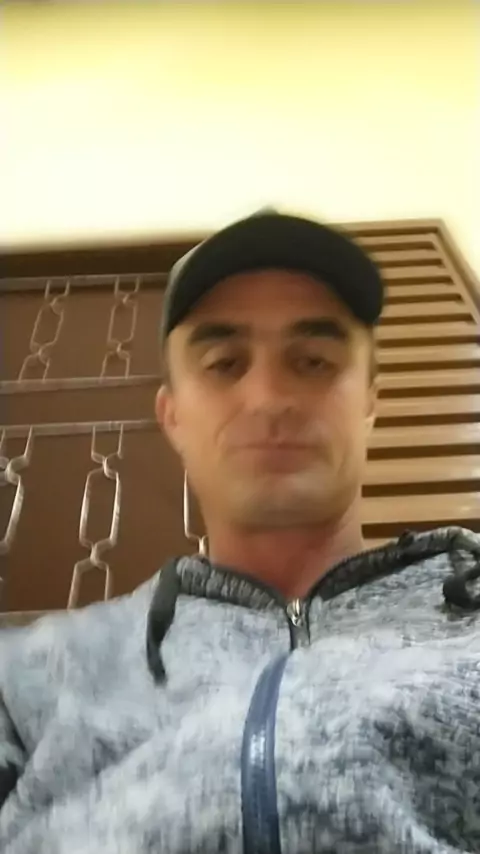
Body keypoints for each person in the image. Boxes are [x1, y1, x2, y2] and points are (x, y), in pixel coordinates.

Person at [1, 210, 480, 854]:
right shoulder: (33, 672)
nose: (268, 398)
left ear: (370, 401)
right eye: (224, 363)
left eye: (313, 361)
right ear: (172, 417)